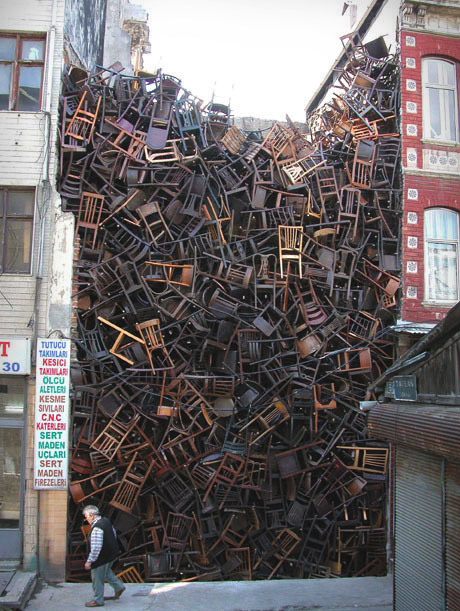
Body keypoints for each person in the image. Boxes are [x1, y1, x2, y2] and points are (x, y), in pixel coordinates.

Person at [82, 505, 126, 608]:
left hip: (101, 558)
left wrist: (89, 561)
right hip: (110, 554)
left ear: (91, 515)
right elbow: (113, 534)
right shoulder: (106, 521)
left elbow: (96, 547)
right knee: (106, 573)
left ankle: (98, 600)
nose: (86, 519)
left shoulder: (97, 527)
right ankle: (119, 587)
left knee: (97, 578)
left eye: (86, 517)